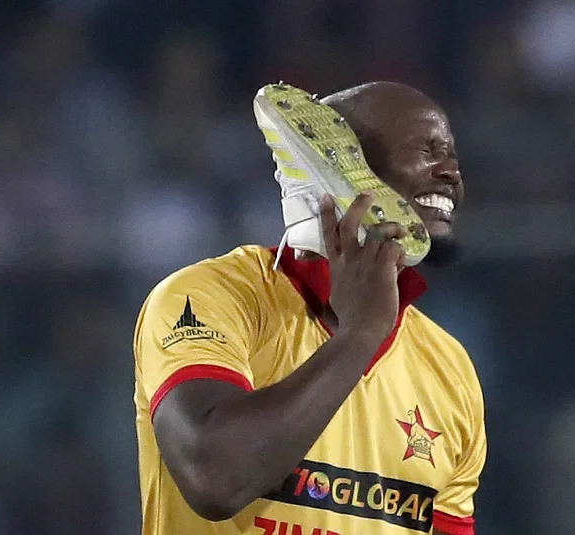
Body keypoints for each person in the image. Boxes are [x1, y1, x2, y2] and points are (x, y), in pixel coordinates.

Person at [133, 81, 486, 535]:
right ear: (337, 163)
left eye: (452, 155)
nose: (452, 173)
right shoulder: (206, 299)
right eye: (428, 149)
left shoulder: (450, 368)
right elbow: (214, 478)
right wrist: (359, 335)